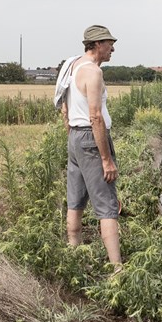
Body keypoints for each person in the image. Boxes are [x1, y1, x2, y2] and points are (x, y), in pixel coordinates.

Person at [56, 25, 122, 267]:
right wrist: (105, 159)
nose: (112, 48)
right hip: (91, 138)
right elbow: (95, 116)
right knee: (107, 205)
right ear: (96, 44)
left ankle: (74, 258)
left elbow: (65, 107)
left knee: (75, 201)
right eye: (108, 43)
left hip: (75, 137)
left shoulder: (72, 67)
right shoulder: (93, 73)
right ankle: (118, 270)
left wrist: (73, 136)